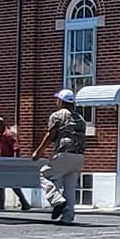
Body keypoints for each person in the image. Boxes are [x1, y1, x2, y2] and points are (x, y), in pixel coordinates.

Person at [32, 87, 86, 223]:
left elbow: (51, 135)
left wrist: (39, 151)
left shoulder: (57, 115)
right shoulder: (80, 118)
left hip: (64, 153)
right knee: (69, 186)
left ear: (61, 101)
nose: (56, 102)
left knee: (44, 174)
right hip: (79, 155)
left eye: (57, 99)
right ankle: (68, 217)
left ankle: (57, 200)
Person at [0, 115, 31, 211]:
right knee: (0, 184)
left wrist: (14, 163)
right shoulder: (0, 135)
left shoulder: (9, 134)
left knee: (13, 184)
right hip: (1, 164)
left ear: (1, 124)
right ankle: (1, 204)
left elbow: (16, 148)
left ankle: (24, 202)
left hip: (9, 163)